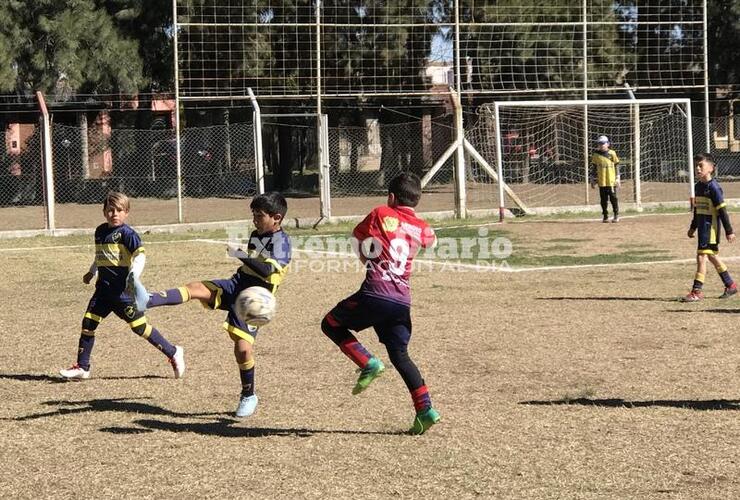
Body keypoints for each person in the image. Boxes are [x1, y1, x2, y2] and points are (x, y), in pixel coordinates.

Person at [142, 192, 291, 417]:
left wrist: (239, 253)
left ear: (276, 218)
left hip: (253, 301)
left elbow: (268, 271)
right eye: (253, 214)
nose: (254, 220)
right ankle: (147, 300)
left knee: (242, 350)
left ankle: (248, 395)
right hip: (237, 284)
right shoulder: (256, 234)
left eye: (259, 216)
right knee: (196, 288)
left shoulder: (282, 242)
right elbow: (251, 268)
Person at [321, 173, 440, 435]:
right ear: (417, 201)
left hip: (376, 291)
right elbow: (432, 240)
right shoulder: (421, 225)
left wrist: (367, 258)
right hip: (401, 299)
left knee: (330, 323)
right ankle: (425, 409)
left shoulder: (381, 212)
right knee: (400, 355)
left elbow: (356, 235)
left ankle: (367, 362)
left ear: (391, 197)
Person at [60, 192, 185, 379]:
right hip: (102, 291)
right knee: (88, 323)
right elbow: (101, 255)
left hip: (122, 294)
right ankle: (82, 367)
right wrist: (92, 271)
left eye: (119, 210)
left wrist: (134, 274)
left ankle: (173, 351)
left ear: (126, 213)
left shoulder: (127, 234)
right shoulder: (100, 231)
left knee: (140, 328)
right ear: (104, 212)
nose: (114, 214)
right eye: (110, 210)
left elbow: (140, 255)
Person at [681, 153, 737, 302]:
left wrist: (729, 231)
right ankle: (730, 285)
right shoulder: (698, 187)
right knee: (712, 257)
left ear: (711, 168)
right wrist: (693, 227)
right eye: (696, 166)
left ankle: (696, 291)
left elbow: (722, 211)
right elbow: (697, 211)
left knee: (701, 257)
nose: (698, 169)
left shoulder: (714, 188)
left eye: (701, 166)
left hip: (710, 229)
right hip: (702, 229)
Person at [590, 135, 621, 223]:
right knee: (603, 199)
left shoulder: (612, 153)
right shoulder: (596, 155)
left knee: (613, 198)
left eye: (603, 143)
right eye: (599, 143)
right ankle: (605, 215)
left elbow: (617, 165)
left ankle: (616, 214)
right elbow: (594, 168)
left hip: (611, 181)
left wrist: (618, 177)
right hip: (602, 181)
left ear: (608, 144)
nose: (601, 145)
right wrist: (592, 179)